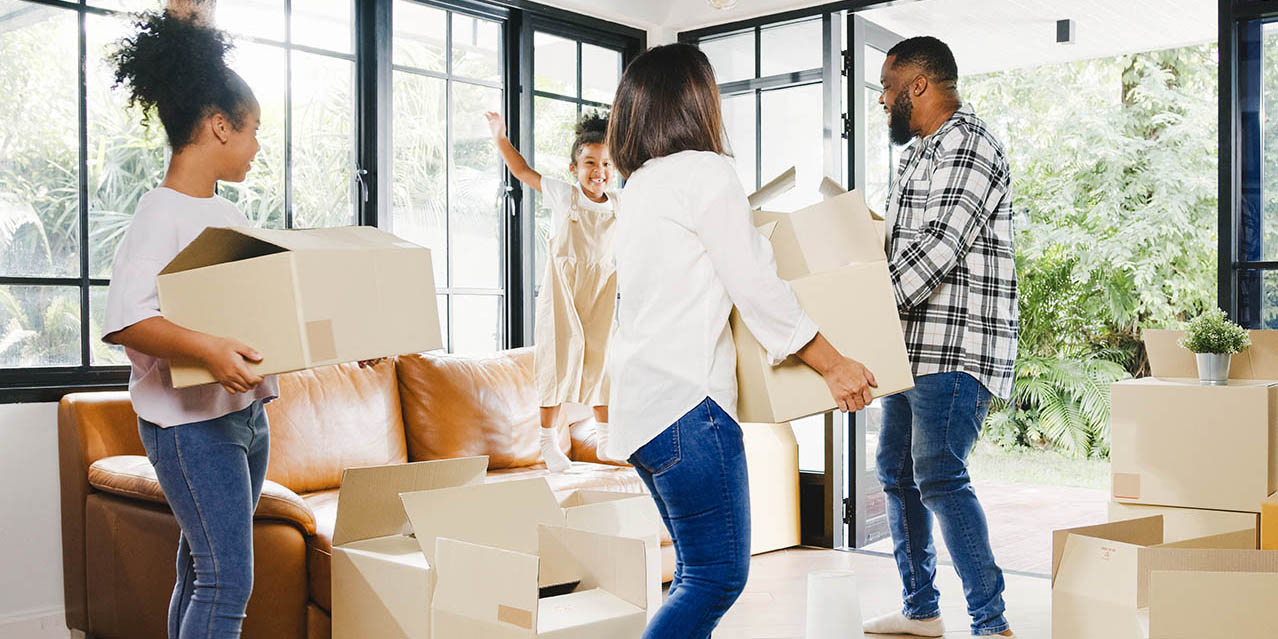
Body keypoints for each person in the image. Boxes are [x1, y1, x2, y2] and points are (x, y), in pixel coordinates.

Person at [606, 43, 878, 639]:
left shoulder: (639, 188)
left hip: (640, 413)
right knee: (715, 577)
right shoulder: (706, 172)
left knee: (692, 578)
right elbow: (756, 285)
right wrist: (834, 365)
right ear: (694, 102)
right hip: (687, 408)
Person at [102, 8, 274, 638]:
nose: (257, 147)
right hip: (188, 426)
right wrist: (207, 346)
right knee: (228, 579)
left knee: (201, 571)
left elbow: (277, 303)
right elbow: (127, 321)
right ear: (219, 126)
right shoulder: (160, 213)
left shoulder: (229, 215)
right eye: (253, 131)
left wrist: (357, 343)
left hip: (245, 416)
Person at [861, 36, 1019, 639]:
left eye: (887, 87)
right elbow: (889, 249)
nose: (881, 100)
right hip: (906, 347)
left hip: (958, 347)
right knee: (895, 474)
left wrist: (859, 314)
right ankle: (921, 609)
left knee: (938, 473)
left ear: (919, 86)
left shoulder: (973, 146)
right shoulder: (916, 156)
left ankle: (991, 623)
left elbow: (936, 253)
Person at [485, 110, 618, 471]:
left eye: (606, 163)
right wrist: (500, 138)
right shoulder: (565, 196)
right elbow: (523, 172)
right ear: (574, 168)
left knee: (603, 361)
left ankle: (606, 439)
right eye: (589, 163)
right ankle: (547, 442)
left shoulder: (620, 204)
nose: (598, 171)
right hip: (563, 292)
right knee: (557, 363)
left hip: (601, 292)